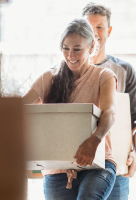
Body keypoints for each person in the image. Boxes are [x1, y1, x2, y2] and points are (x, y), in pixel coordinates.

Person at [23, 18, 119, 200]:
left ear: (91, 48)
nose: (70, 55)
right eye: (65, 48)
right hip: (57, 167)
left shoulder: (103, 76)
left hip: (98, 163)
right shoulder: (49, 78)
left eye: (77, 49)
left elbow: (110, 113)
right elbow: (19, 109)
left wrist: (94, 140)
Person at [82, 3, 136, 200]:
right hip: (78, 164)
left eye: (100, 27)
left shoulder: (124, 71)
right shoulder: (70, 71)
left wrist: (135, 153)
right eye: (89, 28)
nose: (94, 33)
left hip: (116, 165)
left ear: (109, 31)